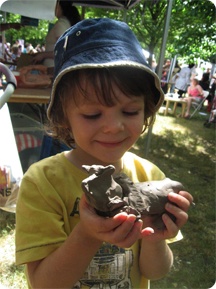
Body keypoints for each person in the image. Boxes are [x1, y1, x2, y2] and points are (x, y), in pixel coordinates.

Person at [15, 18, 193, 289]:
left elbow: (154, 272)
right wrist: (87, 234)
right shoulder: (42, 183)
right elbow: (43, 283)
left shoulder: (150, 175)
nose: (113, 127)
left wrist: (156, 238)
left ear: (146, 110)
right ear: (64, 117)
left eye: (130, 111)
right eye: (92, 114)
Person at [32, 0, 81, 74]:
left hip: (54, 68)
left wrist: (43, 55)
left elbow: (62, 51)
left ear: (58, 5)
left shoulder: (61, 24)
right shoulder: (67, 23)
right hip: (59, 67)